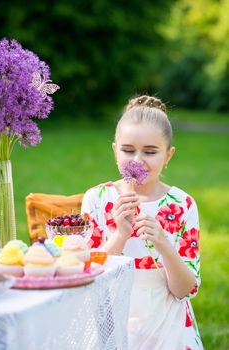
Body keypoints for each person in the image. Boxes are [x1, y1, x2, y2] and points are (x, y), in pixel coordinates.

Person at [81, 95, 203, 349]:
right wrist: (119, 235)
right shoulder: (98, 199)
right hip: (111, 316)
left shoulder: (182, 205)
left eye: (150, 152)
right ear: (115, 151)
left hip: (167, 320)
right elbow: (87, 277)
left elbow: (184, 291)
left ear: (168, 155)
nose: (137, 160)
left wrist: (163, 245)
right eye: (128, 150)